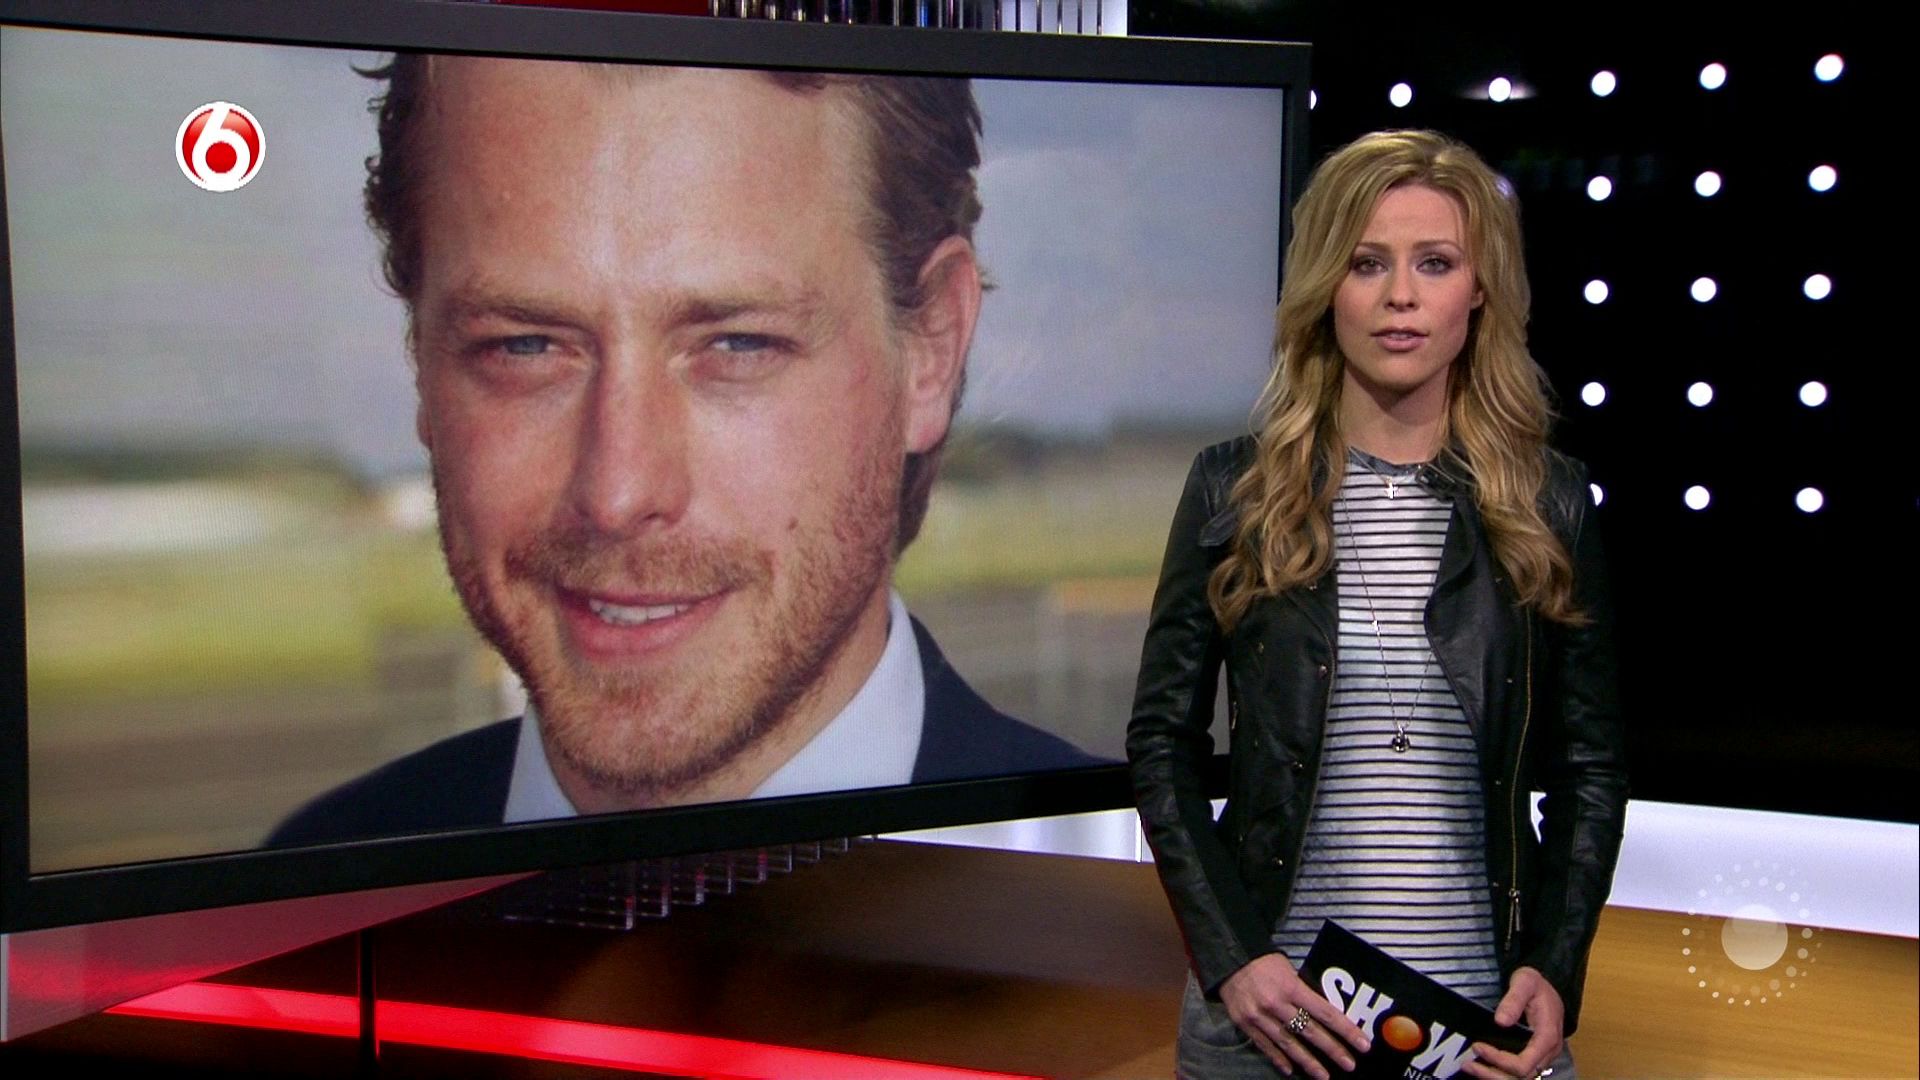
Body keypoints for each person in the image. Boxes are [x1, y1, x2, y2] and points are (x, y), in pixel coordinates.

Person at [271, 55, 1098, 846]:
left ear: (931, 349)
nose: (619, 493)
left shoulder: (1138, 902)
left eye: (737, 344)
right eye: (524, 346)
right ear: (420, 359)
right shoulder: (305, 891)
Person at [1126, 129, 1628, 1080]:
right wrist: (1233, 958)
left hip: (1482, 1022)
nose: (1401, 295)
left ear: (1479, 290)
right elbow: (1162, 742)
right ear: (1326, 287)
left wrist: (1557, 967)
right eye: (1367, 263)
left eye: (1434, 263)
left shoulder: (1547, 501)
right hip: (1274, 1019)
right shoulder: (1236, 490)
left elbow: (1589, 769)